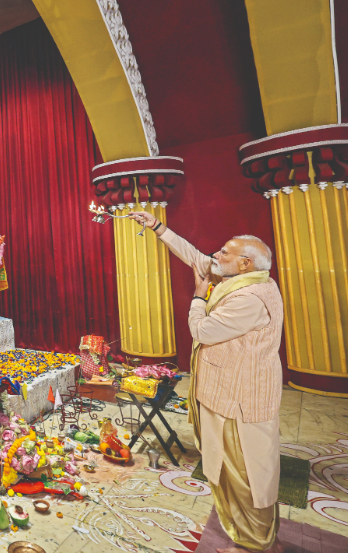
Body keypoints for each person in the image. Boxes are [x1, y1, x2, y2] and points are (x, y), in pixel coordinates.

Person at [130, 210, 282, 553]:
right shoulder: (246, 278)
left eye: (225, 252)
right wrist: (156, 227)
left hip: (240, 400)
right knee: (230, 470)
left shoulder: (250, 298)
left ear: (244, 263)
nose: (216, 255)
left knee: (247, 475)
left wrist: (198, 297)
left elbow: (202, 330)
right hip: (226, 392)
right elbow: (195, 256)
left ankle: (257, 544)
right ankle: (249, 538)